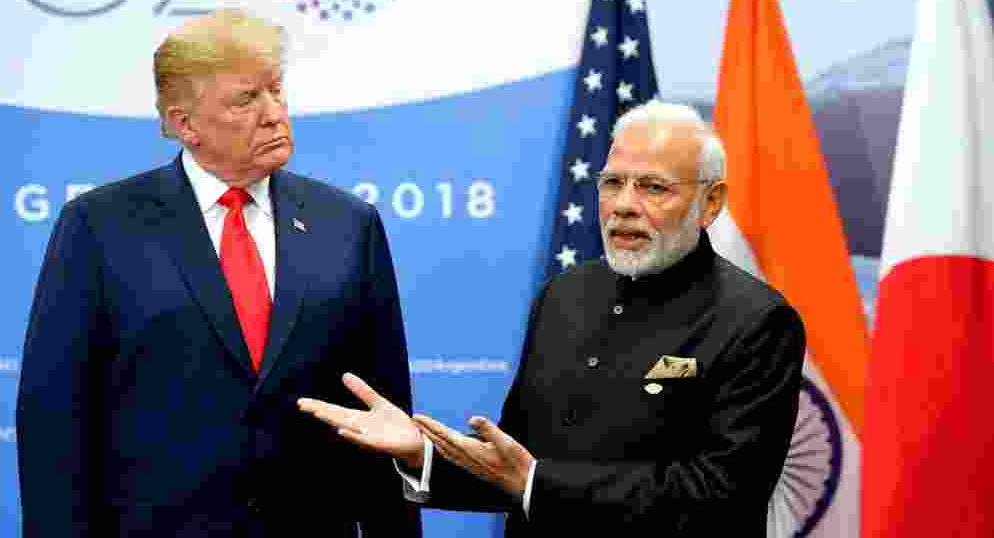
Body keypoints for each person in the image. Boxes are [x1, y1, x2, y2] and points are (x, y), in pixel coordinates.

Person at [298, 100, 806, 535]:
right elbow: (514, 462)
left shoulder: (757, 321)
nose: (624, 206)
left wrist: (537, 483)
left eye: (653, 188)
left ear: (710, 201)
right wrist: (422, 453)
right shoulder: (565, 294)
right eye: (612, 183)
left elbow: (719, 495)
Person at [16, 9, 420, 538]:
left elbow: (383, 415)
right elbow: (55, 425)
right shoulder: (99, 227)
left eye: (276, 90)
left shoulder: (348, 225)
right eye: (246, 99)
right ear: (185, 124)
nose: (275, 113)